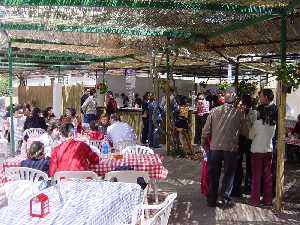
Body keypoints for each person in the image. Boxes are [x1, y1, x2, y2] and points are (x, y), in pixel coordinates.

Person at [201, 87, 243, 208]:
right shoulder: (238, 113)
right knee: (228, 174)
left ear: (224, 97)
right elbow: (245, 131)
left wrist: (204, 142)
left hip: (215, 147)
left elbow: (206, 130)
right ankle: (225, 199)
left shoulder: (214, 111)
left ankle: (211, 199)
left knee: (214, 174)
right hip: (231, 148)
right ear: (234, 98)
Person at [249, 107, 276, 207]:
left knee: (256, 176)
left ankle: (255, 200)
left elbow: (250, 136)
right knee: (267, 176)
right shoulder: (273, 124)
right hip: (268, 150)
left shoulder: (257, 123)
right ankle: (267, 200)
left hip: (257, 151)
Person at [232, 94, 257, 196]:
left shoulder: (254, 113)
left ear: (248, 104)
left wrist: (244, 118)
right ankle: (236, 186)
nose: (241, 106)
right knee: (238, 163)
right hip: (240, 139)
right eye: (241, 104)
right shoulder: (237, 112)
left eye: (243, 104)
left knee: (250, 164)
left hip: (251, 140)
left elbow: (253, 126)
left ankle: (248, 186)